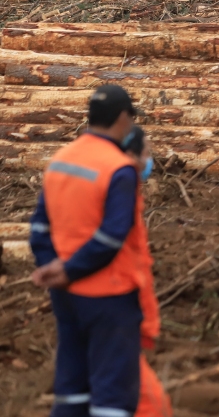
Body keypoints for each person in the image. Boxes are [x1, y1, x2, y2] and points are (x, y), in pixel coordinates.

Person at [29, 85, 150, 417]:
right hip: (107, 293)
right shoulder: (118, 168)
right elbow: (112, 237)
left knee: (72, 390)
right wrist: (72, 269)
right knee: (112, 396)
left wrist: (52, 267)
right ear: (123, 118)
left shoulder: (60, 160)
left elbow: (40, 226)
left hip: (66, 294)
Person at [120, 127, 173, 417]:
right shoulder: (118, 200)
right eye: (147, 153)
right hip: (114, 318)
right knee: (151, 405)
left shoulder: (126, 194)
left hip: (115, 319)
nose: (151, 159)